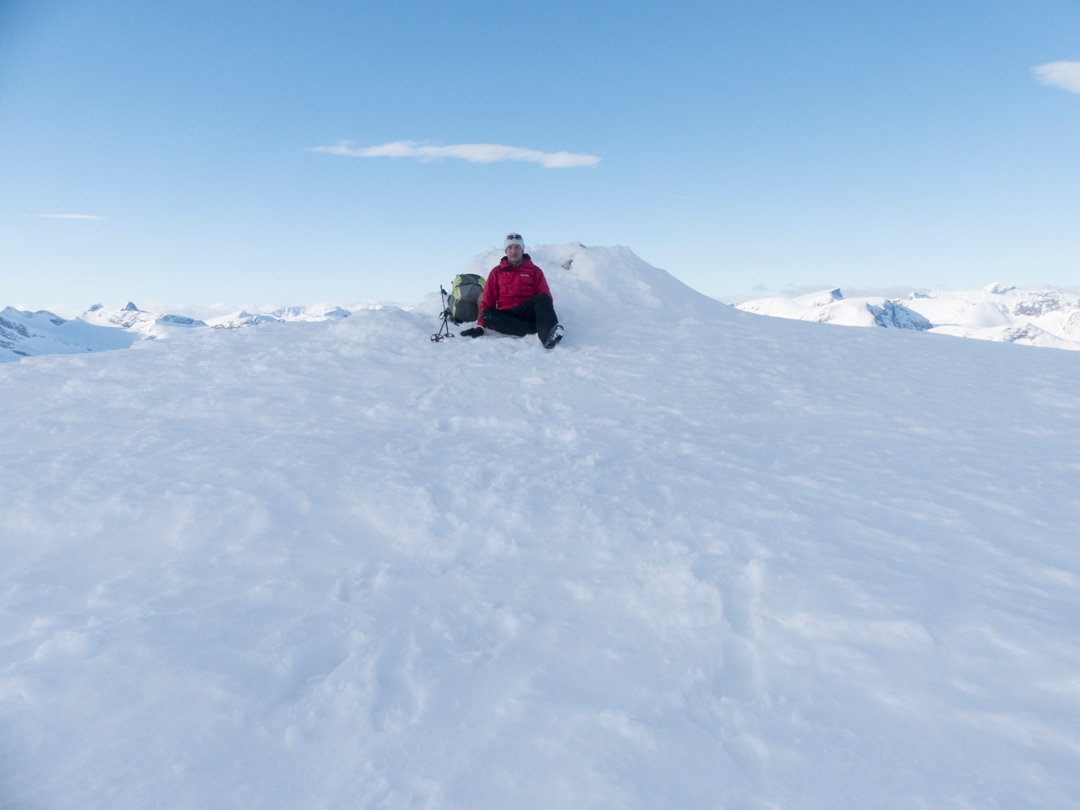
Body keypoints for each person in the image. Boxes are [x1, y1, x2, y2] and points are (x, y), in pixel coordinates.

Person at [462, 233, 564, 349]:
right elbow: (487, 301)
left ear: (522, 249)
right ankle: (533, 328)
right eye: (510, 247)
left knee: (543, 298)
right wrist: (480, 327)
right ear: (505, 250)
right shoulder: (496, 272)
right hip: (507, 315)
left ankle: (547, 337)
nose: (513, 251)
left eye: (517, 247)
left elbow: (546, 299)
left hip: (527, 312)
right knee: (487, 314)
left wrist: (545, 316)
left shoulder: (535, 271)